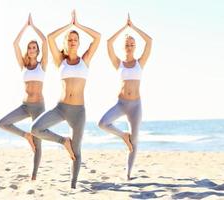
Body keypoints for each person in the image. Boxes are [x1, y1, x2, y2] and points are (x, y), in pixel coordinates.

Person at [31, 10, 100, 189]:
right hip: (61, 108)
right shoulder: (60, 60)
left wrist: (78, 26)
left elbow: (98, 37)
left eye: (75, 39)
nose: (72, 41)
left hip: (78, 112)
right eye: (69, 39)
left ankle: (73, 186)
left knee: (76, 151)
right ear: (66, 42)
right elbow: (49, 37)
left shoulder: (85, 59)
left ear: (78, 43)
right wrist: (69, 26)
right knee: (35, 128)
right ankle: (63, 141)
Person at [98, 14, 152, 180]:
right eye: (127, 44)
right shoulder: (118, 63)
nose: (129, 46)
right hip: (121, 104)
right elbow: (108, 43)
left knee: (134, 140)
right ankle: (123, 136)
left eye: (132, 44)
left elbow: (149, 41)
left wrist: (133, 27)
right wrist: (124, 28)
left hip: (135, 106)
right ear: (124, 47)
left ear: (135, 47)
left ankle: (128, 174)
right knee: (102, 123)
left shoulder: (140, 62)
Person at [0, 14, 48, 181]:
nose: (32, 50)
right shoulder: (23, 66)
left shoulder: (42, 65)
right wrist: (25, 27)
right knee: (2, 123)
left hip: (39, 107)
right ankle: (26, 136)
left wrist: (34, 26)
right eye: (30, 47)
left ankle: (33, 176)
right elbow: (15, 44)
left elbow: (46, 41)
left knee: (38, 144)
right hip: (25, 106)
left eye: (34, 47)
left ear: (38, 51)